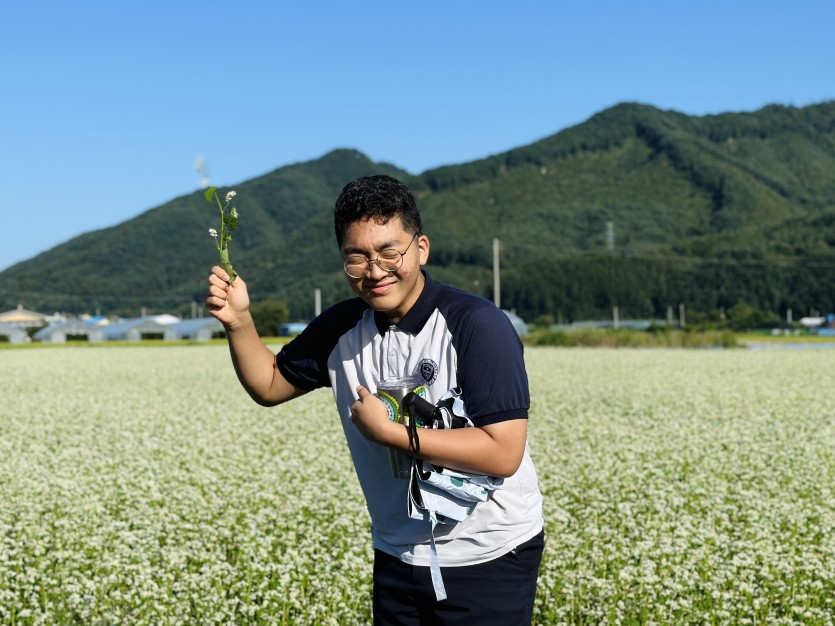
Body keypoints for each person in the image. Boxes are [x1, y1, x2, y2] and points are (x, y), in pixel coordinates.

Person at [206, 174, 544, 625]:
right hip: (397, 552)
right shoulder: (341, 327)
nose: (375, 270)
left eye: (390, 252)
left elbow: (503, 451)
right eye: (357, 258)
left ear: (420, 248)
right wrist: (239, 321)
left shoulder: (477, 325)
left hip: (489, 552)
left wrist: (390, 433)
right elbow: (269, 385)